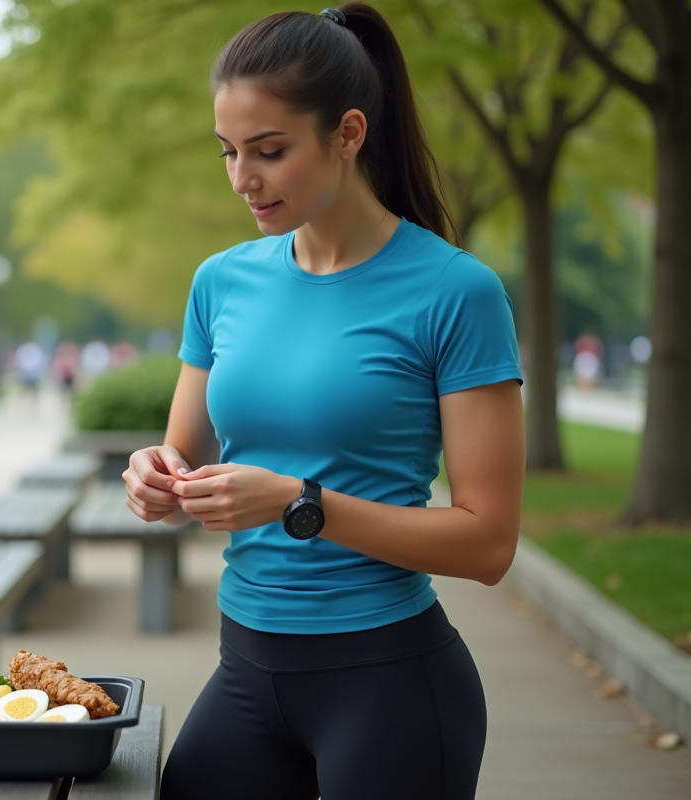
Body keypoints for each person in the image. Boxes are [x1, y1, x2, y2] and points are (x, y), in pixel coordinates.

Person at [122, 7, 525, 799]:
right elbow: (182, 458)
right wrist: (155, 479)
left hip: (389, 685)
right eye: (229, 152)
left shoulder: (456, 292)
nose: (243, 179)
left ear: (347, 133)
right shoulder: (221, 281)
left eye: (270, 151)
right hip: (244, 670)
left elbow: (488, 546)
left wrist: (297, 503)